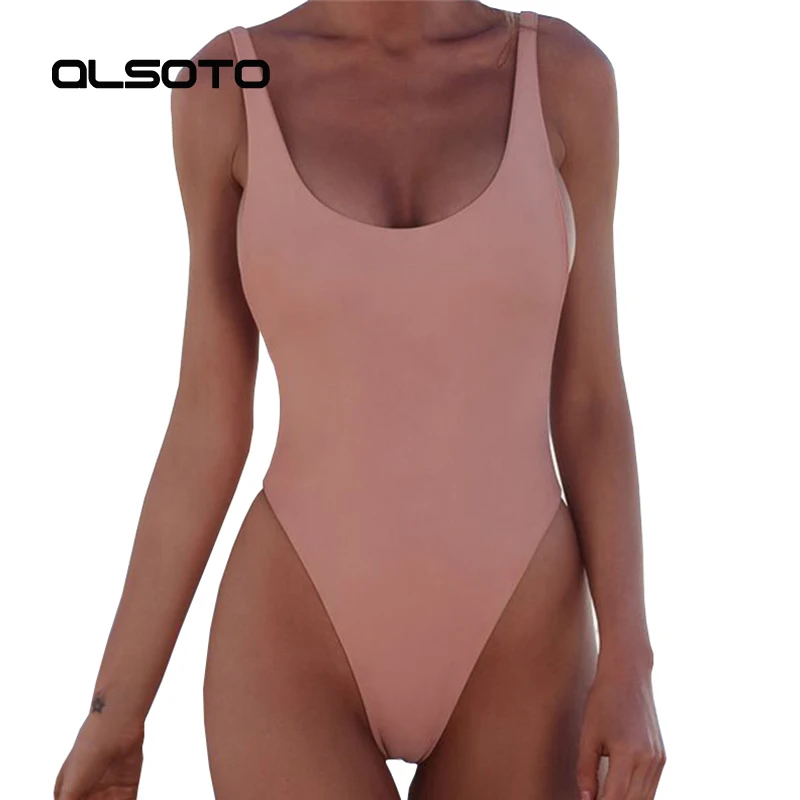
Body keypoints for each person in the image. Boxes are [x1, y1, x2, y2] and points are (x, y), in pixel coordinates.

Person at [54, 3, 665, 798]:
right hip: (291, 640)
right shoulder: (224, 85)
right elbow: (208, 415)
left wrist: (630, 660)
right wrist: (115, 711)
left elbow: (591, 399)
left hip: (525, 639)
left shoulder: (565, 77)